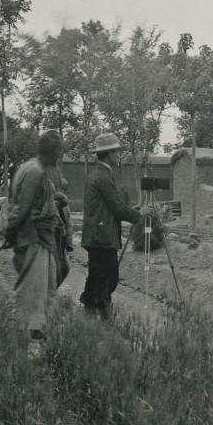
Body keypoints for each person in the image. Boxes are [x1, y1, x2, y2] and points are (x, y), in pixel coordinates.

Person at [6, 130, 64, 340]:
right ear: (54, 151)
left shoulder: (29, 167)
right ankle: (22, 332)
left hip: (39, 236)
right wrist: (10, 233)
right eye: (59, 152)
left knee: (44, 285)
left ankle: (37, 328)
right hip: (32, 235)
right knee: (31, 286)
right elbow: (23, 208)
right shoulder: (35, 172)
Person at [80, 132, 142, 319]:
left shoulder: (98, 174)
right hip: (102, 237)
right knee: (108, 278)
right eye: (116, 152)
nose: (118, 155)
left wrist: (130, 209)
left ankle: (96, 312)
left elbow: (110, 205)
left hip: (98, 235)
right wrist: (139, 215)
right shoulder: (103, 176)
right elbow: (117, 208)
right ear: (107, 154)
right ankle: (95, 313)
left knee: (100, 277)